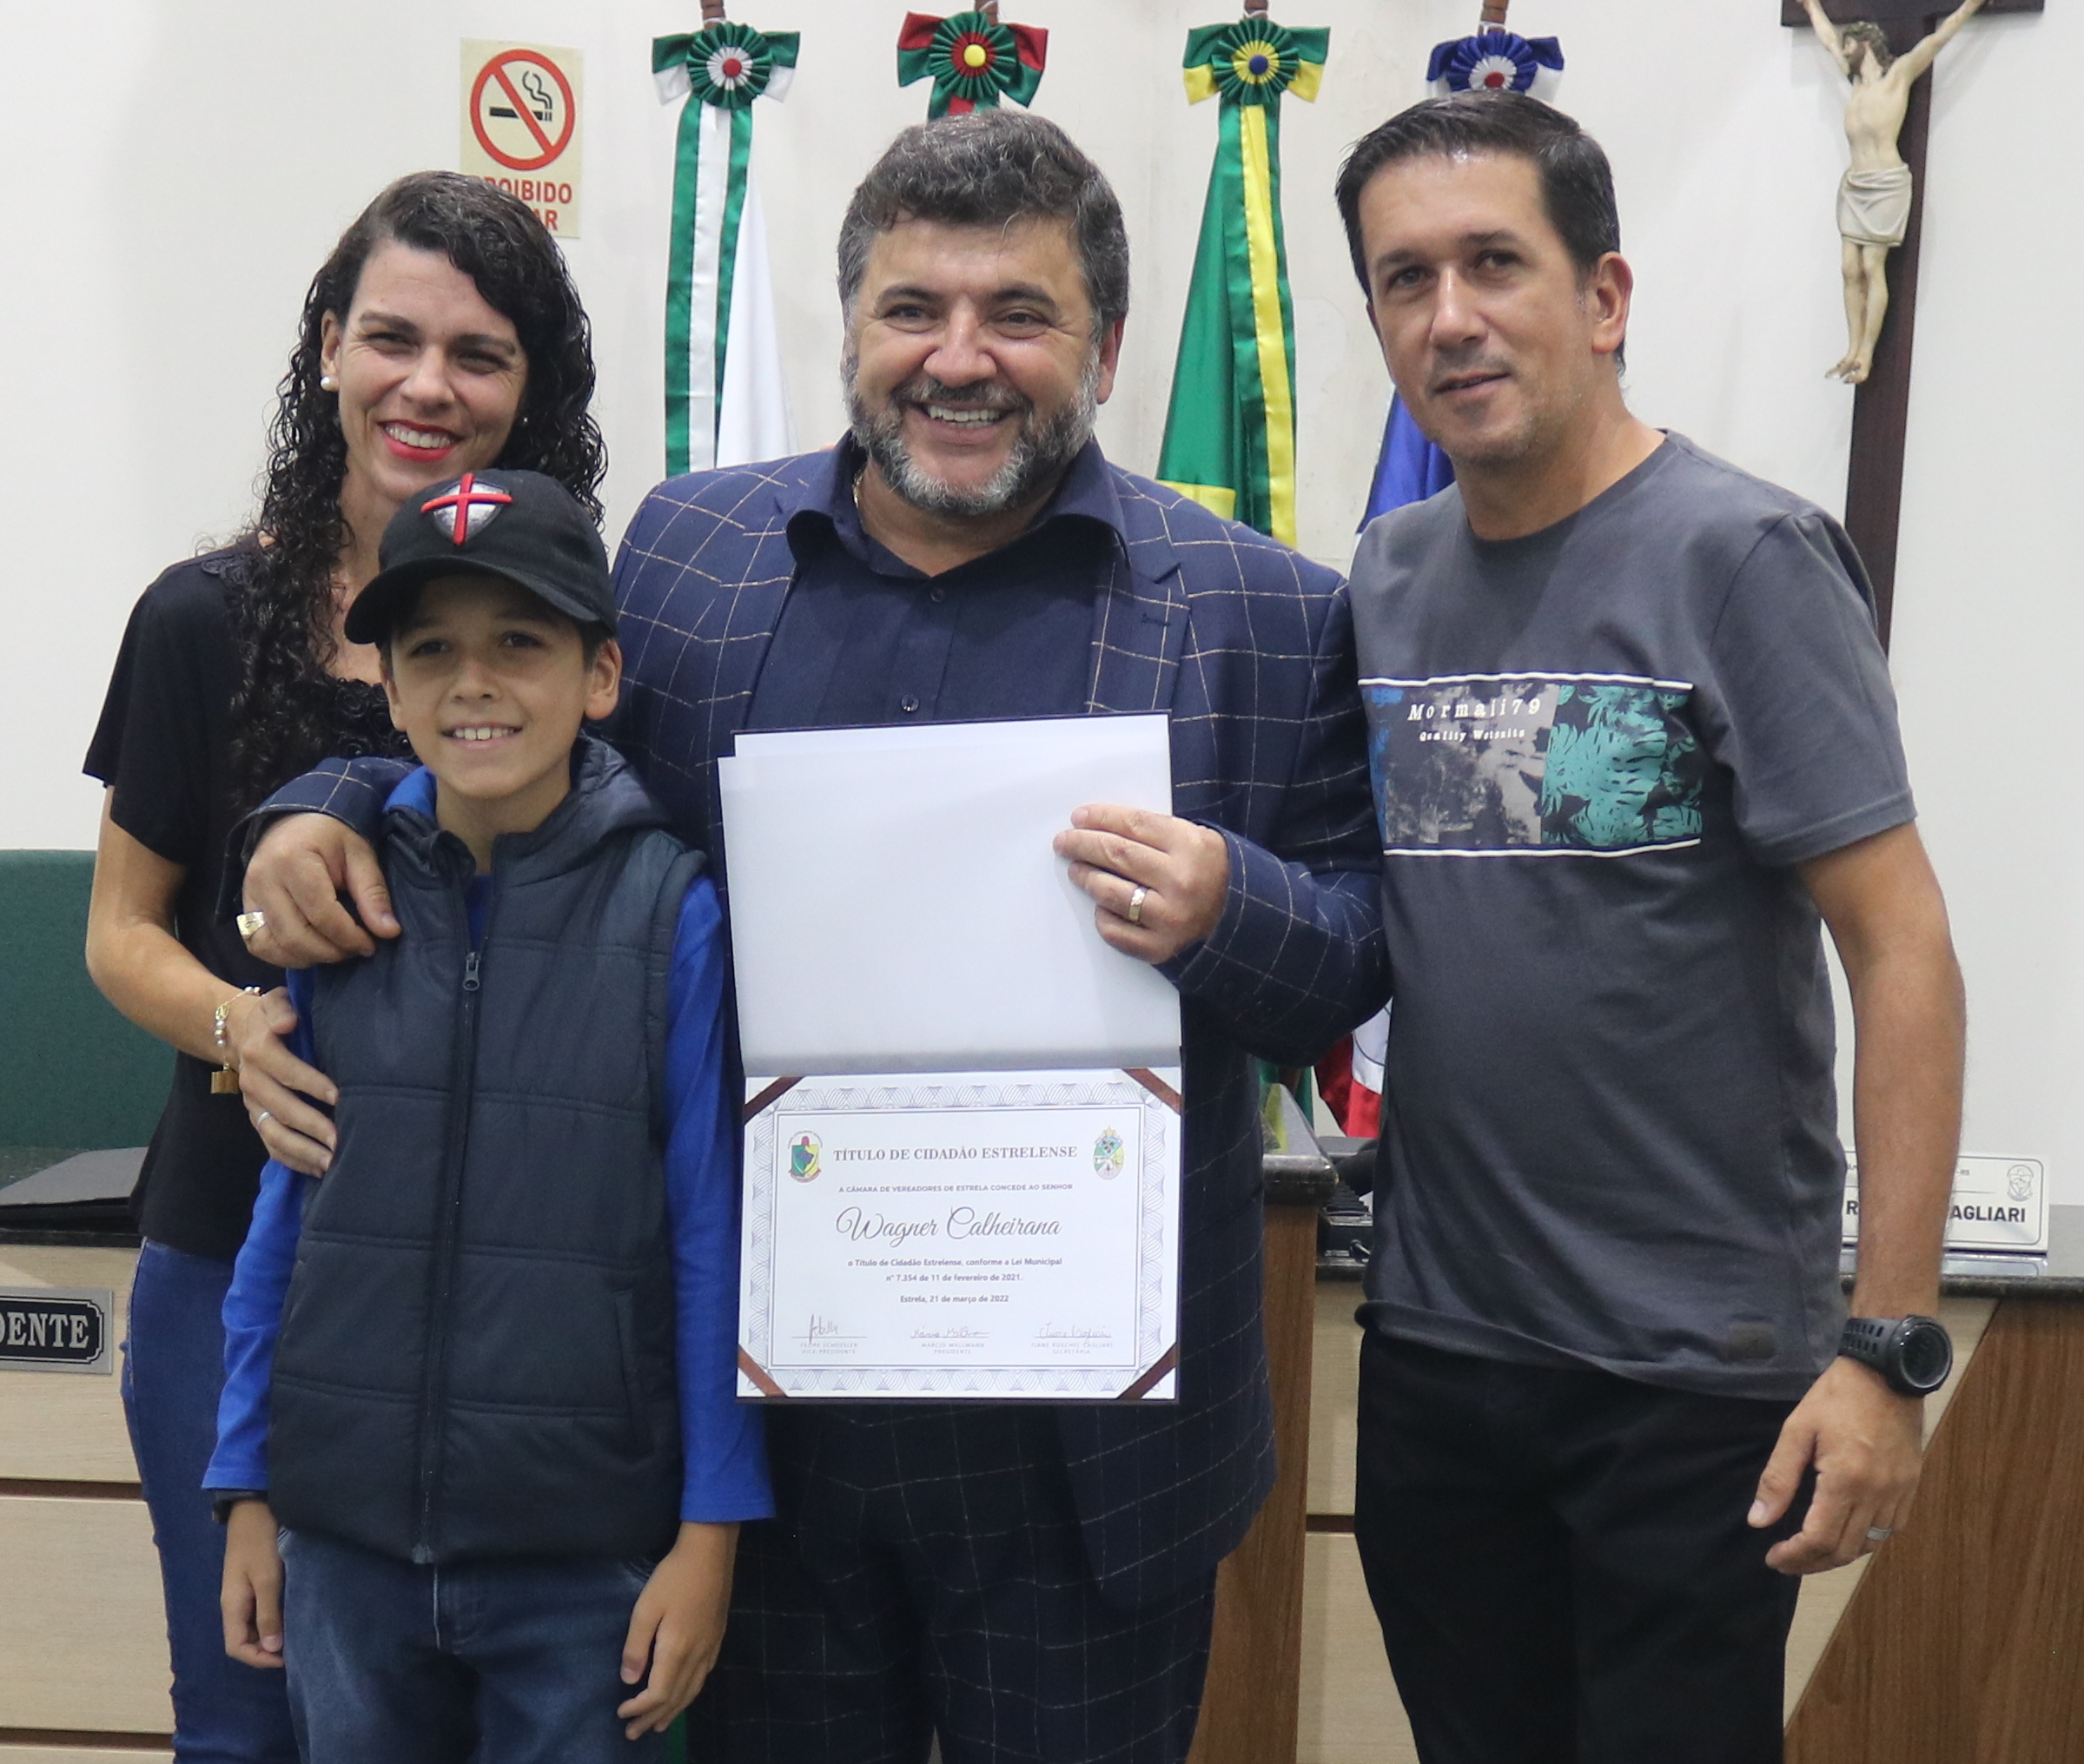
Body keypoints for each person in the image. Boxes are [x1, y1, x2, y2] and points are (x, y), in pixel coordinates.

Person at [232, 111, 1386, 1764]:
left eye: (1018, 313)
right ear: (849, 329)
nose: (957, 358)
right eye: (912, 308)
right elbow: (536, 763)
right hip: (762, 1436)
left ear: (1108, 344)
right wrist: (329, 798)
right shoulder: (690, 556)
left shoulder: (1258, 607)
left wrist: (1229, 905)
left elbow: (1353, 953)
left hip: (1086, 1460)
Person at [1332, 93, 1965, 1763]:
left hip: (1690, 1378)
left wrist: (1887, 1348)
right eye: (1404, 279)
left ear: (1601, 296)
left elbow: (1899, 948)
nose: (1448, 316)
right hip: (1436, 1356)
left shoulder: (1740, 558)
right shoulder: (1382, 580)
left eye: (1492, 263)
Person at [82, 168, 605, 1762]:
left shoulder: (580, 636)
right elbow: (119, 933)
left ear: (531, 388)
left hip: (492, 1292)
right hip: (228, 1243)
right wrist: (243, 1023)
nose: (427, 385)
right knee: (245, 1718)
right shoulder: (199, 618)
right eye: (391, 338)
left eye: (479, 353)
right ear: (326, 349)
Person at [202, 472, 769, 1762]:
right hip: (342, 1541)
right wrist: (245, 1483)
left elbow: (711, 1234)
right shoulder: (338, 904)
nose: (474, 683)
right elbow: (287, 1214)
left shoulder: (671, 912)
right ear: (390, 691)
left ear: (599, 674)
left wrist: (711, 1530)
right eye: (432, 651)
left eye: (519, 642)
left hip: (580, 1556)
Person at [1798, 0, 1989, 384]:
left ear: (1866, 44)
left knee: (1873, 266)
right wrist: (1810, 5)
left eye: (1849, 44)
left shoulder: (1899, 76)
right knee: (1848, 269)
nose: (1843, 49)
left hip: (1885, 183)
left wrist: (1971, 5)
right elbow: (1827, 39)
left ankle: (1866, 355)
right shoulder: (1854, 84)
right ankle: (1851, 348)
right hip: (1855, 185)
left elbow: (1938, 39)